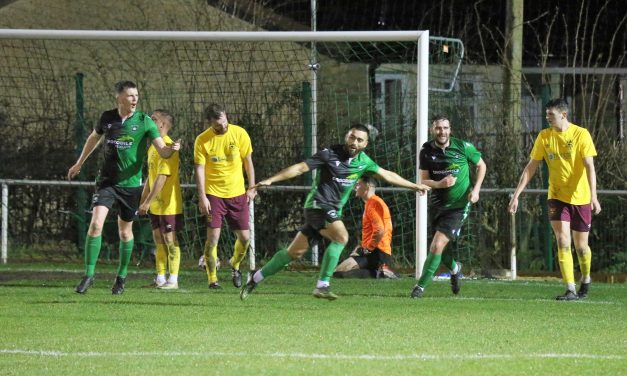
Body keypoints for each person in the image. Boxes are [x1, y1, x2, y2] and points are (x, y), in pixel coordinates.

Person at [240, 123, 430, 301]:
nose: (354, 142)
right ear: (347, 136)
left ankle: (254, 278)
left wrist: (414, 186)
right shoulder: (329, 154)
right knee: (341, 237)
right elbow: (300, 167)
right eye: (352, 137)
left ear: (365, 144)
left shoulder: (364, 162)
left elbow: (387, 175)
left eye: (359, 140)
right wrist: (272, 180)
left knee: (293, 253)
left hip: (330, 211)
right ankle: (322, 285)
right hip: (318, 205)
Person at [68, 80, 180, 295]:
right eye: (130, 96)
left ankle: (121, 277)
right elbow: (94, 138)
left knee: (125, 233)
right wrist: (80, 162)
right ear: (119, 98)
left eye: (136, 95)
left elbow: (163, 152)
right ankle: (89, 275)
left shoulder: (144, 121)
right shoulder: (107, 118)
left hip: (131, 188)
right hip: (107, 183)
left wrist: (172, 149)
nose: (135, 99)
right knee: (95, 225)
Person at [508, 98, 600, 301]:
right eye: (547, 114)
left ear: (563, 115)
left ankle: (585, 277)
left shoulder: (580, 134)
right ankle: (570, 288)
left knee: (581, 247)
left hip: (580, 197)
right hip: (557, 197)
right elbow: (530, 167)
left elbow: (589, 167)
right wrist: (516, 195)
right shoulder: (544, 136)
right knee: (562, 240)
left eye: (551, 114)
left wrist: (593, 196)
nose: (547, 117)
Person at [410, 114, 486, 298]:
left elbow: (481, 166)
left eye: (445, 128)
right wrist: (440, 184)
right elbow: (424, 180)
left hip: (459, 206)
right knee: (440, 250)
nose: (442, 131)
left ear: (450, 129)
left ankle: (419, 288)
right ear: (432, 130)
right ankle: (454, 268)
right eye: (438, 128)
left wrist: (475, 191)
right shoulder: (426, 151)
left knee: (437, 245)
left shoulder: (463, 147)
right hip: (437, 205)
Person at [194, 103, 256, 290]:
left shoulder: (240, 134)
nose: (221, 126)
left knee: (245, 238)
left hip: (237, 194)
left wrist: (252, 187)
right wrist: (202, 197)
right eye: (216, 125)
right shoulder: (202, 140)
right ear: (210, 123)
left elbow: (248, 162)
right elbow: (199, 169)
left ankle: (235, 264)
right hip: (214, 195)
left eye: (222, 121)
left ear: (225, 116)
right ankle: (212, 279)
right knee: (213, 238)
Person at [138, 109, 183, 290]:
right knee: (158, 239)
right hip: (155, 203)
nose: (149, 121)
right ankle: (160, 278)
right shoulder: (154, 146)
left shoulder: (169, 147)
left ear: (162, 124)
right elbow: (151, 176)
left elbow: (162, 178)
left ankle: (173, 279)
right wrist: (144, 199)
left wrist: (147, 201)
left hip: (169, 204)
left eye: (153, 119)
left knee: (170, 239)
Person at [334, 175, 397, 279]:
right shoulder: (371, 203)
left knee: (340, 274)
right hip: (373, 252)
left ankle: (382, 272)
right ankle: (381, 272)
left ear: (367, 186)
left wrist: (368, 249)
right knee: (338, 272)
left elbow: (380, 230)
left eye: (358, 184)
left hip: (378, 253)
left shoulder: (374, 203)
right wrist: (362, 247)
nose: (355, 187)